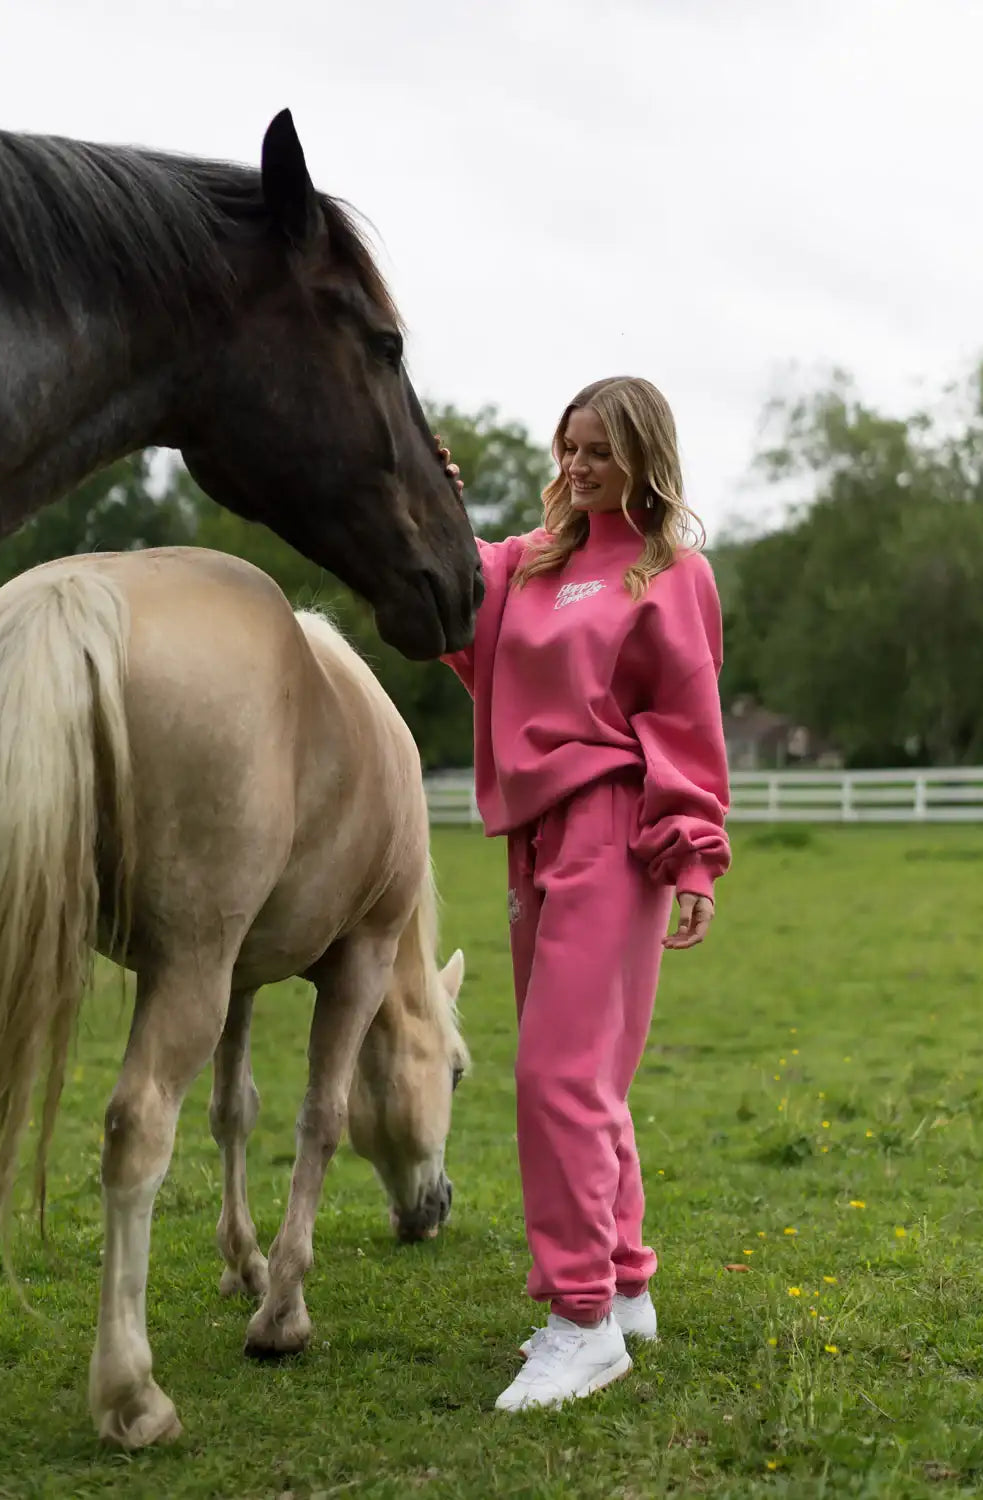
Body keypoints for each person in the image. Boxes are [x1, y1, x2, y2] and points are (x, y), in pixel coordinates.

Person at [437, 376, 731, 1413]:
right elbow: (445, 597)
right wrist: (434, 500)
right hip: (533, 838)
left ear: (642, 454)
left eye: (598, 449)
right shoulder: (530, 560)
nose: (576, 465)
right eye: (567, 446)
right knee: (584, 1077)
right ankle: (623, 1285)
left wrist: (690, 850)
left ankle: (580, 1323)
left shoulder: (667, 574)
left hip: (612, 826)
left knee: (557, 1074)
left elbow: (685, 715)